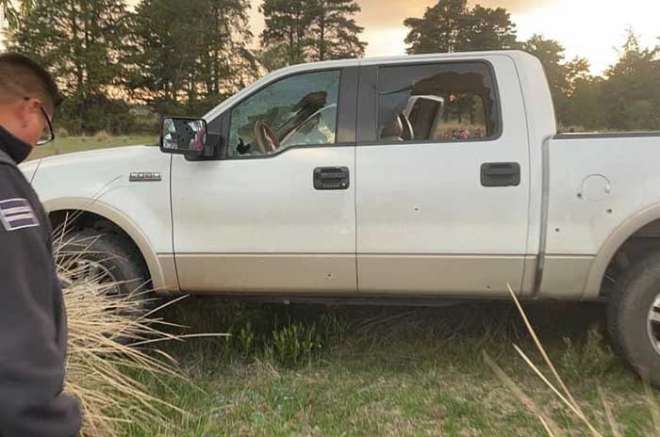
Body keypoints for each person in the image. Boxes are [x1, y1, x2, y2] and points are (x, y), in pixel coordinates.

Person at [0, 52, 81, 436]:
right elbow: (17, 325)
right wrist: (46, 422)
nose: (38, 142)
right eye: (44, 129)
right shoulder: (5, 189)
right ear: (30, 109)